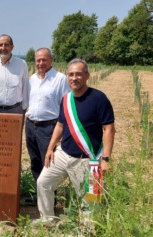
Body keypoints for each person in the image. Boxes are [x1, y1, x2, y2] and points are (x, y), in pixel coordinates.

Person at [33, 58, 115, 226]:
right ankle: (48, 221)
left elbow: (109, 129)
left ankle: (88, 233)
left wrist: (105, 159)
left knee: (91, 199)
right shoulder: (66, 99)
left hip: (89, 159)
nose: (74, 78)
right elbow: (60, 125)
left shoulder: (99, 98)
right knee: (43, 183)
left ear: (87, 76)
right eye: (70, 74)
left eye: (78, 74)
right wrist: (50, 149)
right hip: (63, 154)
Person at [25, 48, 70, 184]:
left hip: (48, 127)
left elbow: (66, 105)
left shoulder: (60, 79)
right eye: (38, 60)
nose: (41, 63)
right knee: (35, 161)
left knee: (49, 162)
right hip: (30, 126)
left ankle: (50, 198)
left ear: (51, 60)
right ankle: (39, 194)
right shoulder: (31, 79)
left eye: (44, 59)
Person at [0, 34, 29, 114]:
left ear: (12, 47)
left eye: (6, 45)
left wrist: (24, 108)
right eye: (0, 45)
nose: (3, 48)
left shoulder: (22, 64)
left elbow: (25, 87)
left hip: (15, 110)